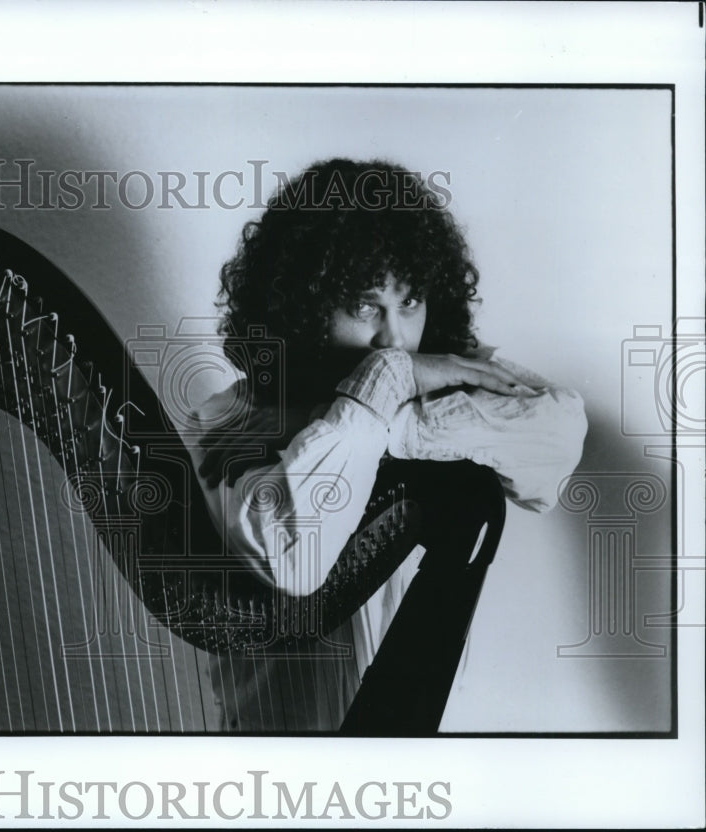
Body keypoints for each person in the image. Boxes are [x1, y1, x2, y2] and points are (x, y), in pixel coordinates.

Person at [185, 158, 587, 733]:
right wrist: (384, 387)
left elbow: (558, 432)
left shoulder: (426, 380)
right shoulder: (221, 426)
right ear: (301, 306)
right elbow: (294, 559)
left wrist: (387, 417)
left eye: (411, 302)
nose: (394, 339)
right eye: (365, 306)